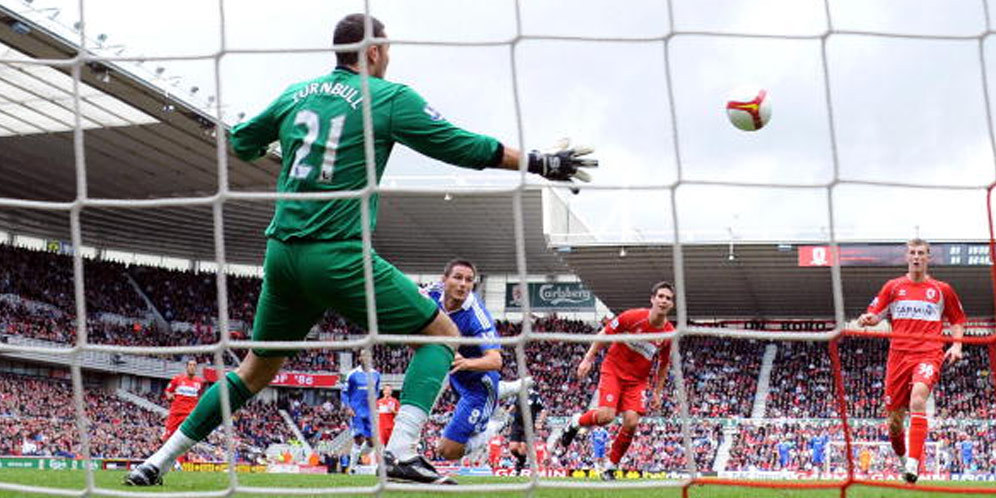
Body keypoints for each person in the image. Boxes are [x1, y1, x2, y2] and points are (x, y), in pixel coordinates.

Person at [124, 12, 595, 487]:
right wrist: (539, 161)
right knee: (440, 332)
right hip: (337, 254)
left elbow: (241, 142)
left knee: (253, 371)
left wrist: (291, 153)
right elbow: (460, 146)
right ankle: (403, 451)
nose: (389, 56)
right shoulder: (387, 98)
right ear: (373, 51)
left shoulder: (296, 94)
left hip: (283, 255)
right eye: (387, 48)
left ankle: (156, 461)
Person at [856, 238, 965, 484]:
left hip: (928, 352)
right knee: (894, 423)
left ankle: (914, 464)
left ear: (928, 257)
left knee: (918, 399)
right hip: (898, 357)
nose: (916, 257)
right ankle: (904, 457)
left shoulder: (941, 290)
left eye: (921, 253)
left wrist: (957, 345)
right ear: (907, 257)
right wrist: (867, 319)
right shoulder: (893, 287)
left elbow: (957, 319)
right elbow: (875, 314)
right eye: (913, 253)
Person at [558, 281, 675, 481]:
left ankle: (611, 467)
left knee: (631, 422)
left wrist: (658, 392)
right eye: (661, 296)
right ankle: (575, 422)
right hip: (613, 370)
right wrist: (588, 358)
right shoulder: (632, 317)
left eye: (668, 298)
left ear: (672, 304)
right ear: (652, 299)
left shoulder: (668, 334)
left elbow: (663, 365)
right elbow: (604, 334)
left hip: (637, 381)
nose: (664, 301)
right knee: (606, 416)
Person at [427, 259, 509, 462]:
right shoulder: (432, 293)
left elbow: (495, 361)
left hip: (478, 386)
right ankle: (505, 389)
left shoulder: (476, 315)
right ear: (444, 280)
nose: (463, 284)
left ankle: (493, 427)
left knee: (448, 452)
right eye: (457, 277)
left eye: (469, 280)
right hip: (456, 379)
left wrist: (466, 363)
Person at [341, 363, 381, 472]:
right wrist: (348, 407)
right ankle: (352, 468)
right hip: (356, 411)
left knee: (372, 442)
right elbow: (344, 393)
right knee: (359, 439)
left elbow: (376, 391)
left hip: (369, 412)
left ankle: (356, 456)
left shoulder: (376, 374)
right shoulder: (352, 374)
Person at [162, 360, 204, 444]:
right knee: (167, 437)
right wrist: (169, 396)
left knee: (184, 439)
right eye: (190, 365)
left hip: (188, 415)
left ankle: (181, 457)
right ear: (187, 367)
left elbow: (199, 396)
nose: (192, 367)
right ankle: (163, 455)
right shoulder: (178, 379)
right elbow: (167, 391)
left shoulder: (200, 382)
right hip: (176, 413)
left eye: (194, 365)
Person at [507, 387, 546, 475]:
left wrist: (539, 422)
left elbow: (543, 411)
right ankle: (522, 460)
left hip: (528, 426)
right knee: (513, 448)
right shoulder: (519, 395)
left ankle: (519, 465)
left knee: (522, 449)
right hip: (517, 424)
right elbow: (514, 405)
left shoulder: (535, 396)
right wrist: (506, 412)